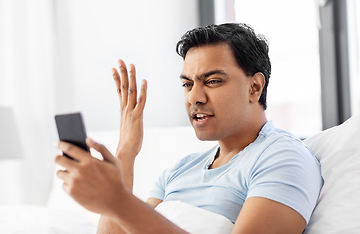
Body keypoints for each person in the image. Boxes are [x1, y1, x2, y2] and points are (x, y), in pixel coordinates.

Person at [55, 23, 322, 234]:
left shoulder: (283, 157)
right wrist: (126, 150)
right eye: (187, 84)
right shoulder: (180, 170)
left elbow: (127, 212)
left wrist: (117, 201)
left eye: (213, 81)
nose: (195, 97)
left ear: (254, 87)